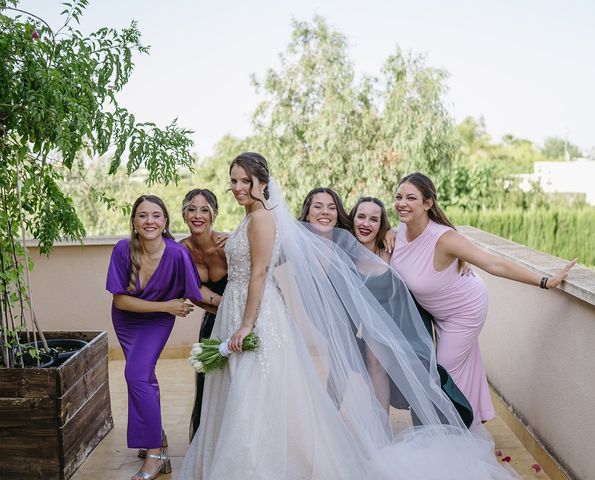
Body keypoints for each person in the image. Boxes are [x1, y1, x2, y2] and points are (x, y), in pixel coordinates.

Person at [179, 153, 518, 480]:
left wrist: (387, 234)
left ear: (261, 182)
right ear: (306, 213)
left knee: (392, 367)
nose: (238, 187)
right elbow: (263, 262)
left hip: (387, 318)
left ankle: (416, 436)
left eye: (245, 181)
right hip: (327, 320)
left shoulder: (352, 240)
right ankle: (336, 435)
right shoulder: (293, 235)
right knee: (325, 378)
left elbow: (262, 269)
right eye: (233, 181)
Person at [390, 172, 576, 423]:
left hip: (464, 309)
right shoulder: (397, 232)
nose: (402, 203)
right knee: (461, 368)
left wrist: (545, 281)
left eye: (411, 198)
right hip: (436, 310)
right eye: (399, 197)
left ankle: (450, 432)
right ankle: (475, 418)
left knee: (442, 373)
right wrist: (385, 234)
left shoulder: (444, 239)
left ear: (428, 203)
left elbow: (494, 264)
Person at [349, 196, 473, 427]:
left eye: (374, 219)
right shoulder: (345, 255)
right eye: (361, 216)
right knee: (374, 364)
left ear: (381, 224)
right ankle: (381, 428)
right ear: (353, 218)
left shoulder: (391, 248)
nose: (366, 223)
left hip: (407, 324)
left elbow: (426, 246)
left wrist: (460, 258)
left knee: (421, 375)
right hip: (374, 325)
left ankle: (436, 423)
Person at [106, 195, 203, 480]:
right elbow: (121, 301)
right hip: (127, 319)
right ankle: (155, 433)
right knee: (143, 377)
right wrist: (167, 305)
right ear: (134, 222)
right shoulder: (123, 250)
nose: (150, 221)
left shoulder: (176, 253)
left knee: (136, 374)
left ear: (165, 222)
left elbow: (196, 292)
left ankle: (155, 454)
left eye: (156, 215)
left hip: (156, 323)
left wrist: (233, 306)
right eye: (143, 216)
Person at [179, 188, 228, 441]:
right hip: (211, 322)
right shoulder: (180, 251)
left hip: (237, 321)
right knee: (207, 381)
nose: (198, 215)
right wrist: (219, 303)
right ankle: (206, 441)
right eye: (192, 209)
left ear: (214, 214)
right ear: (185, 214)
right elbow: (190, 291)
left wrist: (225, 305)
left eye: (205, 209)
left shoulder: (227, 245)